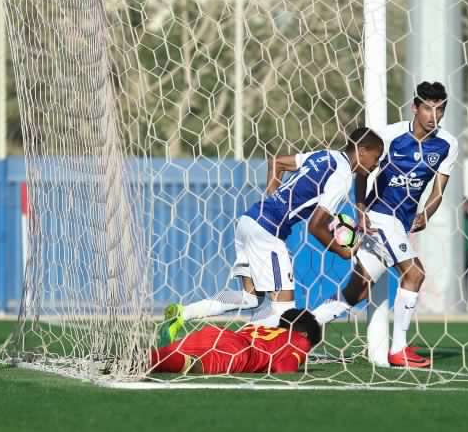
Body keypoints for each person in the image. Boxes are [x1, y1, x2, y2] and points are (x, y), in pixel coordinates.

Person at [159, 127, 384, 344]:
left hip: (250, 220)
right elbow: (315, 226)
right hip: (268, 233)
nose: (375, 165)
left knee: (251, 298)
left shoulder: (324, 155)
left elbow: (276, 162)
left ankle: (183, 313)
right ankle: (240, 345)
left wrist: (272, 198)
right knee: (284, 310)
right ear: (362, 151)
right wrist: (344, 251)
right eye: (375, 158)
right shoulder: (343, 176)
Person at [312, 82, 458, 369]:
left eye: (439, 109)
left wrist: (426, 214)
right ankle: (399, 348)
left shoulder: (447, 145)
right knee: (414, 274)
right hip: (381, 216)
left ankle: (298, 332)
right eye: (428, 108)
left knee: (357, 290)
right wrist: (361, 206)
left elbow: (438, 191)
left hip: (401, 224)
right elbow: (364, 169)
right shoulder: (390, 136)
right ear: (415, 107)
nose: (433, 115)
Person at [151, 309, 321, 375]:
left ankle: (130, 358)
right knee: (192, 365)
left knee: (160, 356)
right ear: (305, 334)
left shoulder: (260, 328)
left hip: (217, 332)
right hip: (240, 352)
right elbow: (285, 369)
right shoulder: (300, 340)